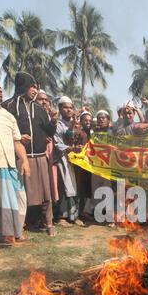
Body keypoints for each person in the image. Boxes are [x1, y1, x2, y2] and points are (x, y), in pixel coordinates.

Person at [3, 72, 57, 236]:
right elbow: (5, 131)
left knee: (46, 194)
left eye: (36, 87)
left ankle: (49, 223)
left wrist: (53, 120)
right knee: (19, 194)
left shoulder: (40, 109)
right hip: (20, 158)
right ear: (23, 86)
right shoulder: (8, 107)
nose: (35, 90)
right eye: (32, 86)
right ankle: (20, 225)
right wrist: (18, 138)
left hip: (40, 157)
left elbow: (49, 132)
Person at [0, 84, 30, 246]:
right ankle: (7, 235)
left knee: (19, 199)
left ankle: (16, 232)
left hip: (10, 166)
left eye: (0, 89)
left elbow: (17, 142)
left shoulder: (8, 116)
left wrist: (24, 161)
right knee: (3, 202)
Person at [54, 96, 84, 227]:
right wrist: (71, 148)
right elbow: (57, 143)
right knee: (64, 186)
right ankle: (61, 217)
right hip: (62, 160)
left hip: (75, 161)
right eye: (66, 107)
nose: (69, 110)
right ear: (60, 109)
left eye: (71, 107)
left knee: (74, 186)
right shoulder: (57, 124)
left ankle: (74, 216)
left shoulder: (76, 124)